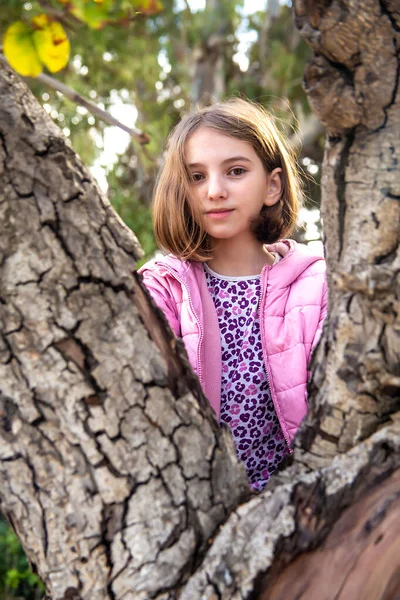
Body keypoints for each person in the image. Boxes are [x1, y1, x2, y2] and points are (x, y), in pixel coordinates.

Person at [139, 98, 327, 491]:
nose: (215, 191)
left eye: (236, 171)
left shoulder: (317, 284)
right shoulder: (162, 287)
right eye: (196, 176)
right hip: (193, 506)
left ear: (272, 186)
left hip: (297, 506)